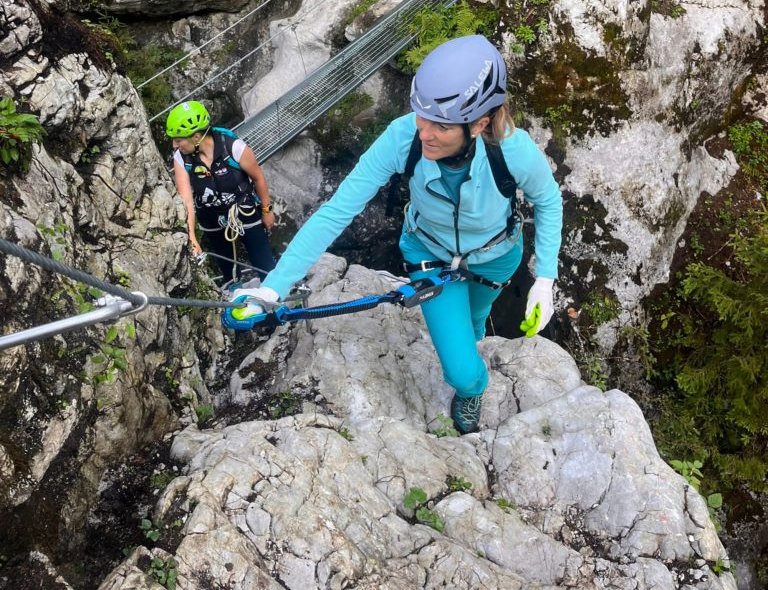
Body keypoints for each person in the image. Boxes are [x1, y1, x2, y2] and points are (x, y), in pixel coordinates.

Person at [230, 35, 562, 433]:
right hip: (431, 256)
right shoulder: (402, 137)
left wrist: (545, 278)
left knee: (476, 316)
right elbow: (337, 211)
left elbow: (549, 202)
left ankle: (472, 334)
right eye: (421, 116)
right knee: (461, 373)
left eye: (440, 124)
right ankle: (473, 386)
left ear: (479, 123)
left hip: (496, 257)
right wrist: (273, 288)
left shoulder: (514, 151)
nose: (425, 133)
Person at [167, 100, 276, 284]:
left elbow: (258, 178)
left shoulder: (233, 147)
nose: (174, 145)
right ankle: (233, 292)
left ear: (196, 137)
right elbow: (186, 200)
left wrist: (267, 210)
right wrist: (192, 237)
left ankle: (277, 297)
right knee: (228, 268)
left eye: (178, 139)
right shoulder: (181, 158)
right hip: (211, 218)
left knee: (264, 262)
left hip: (244, 211)